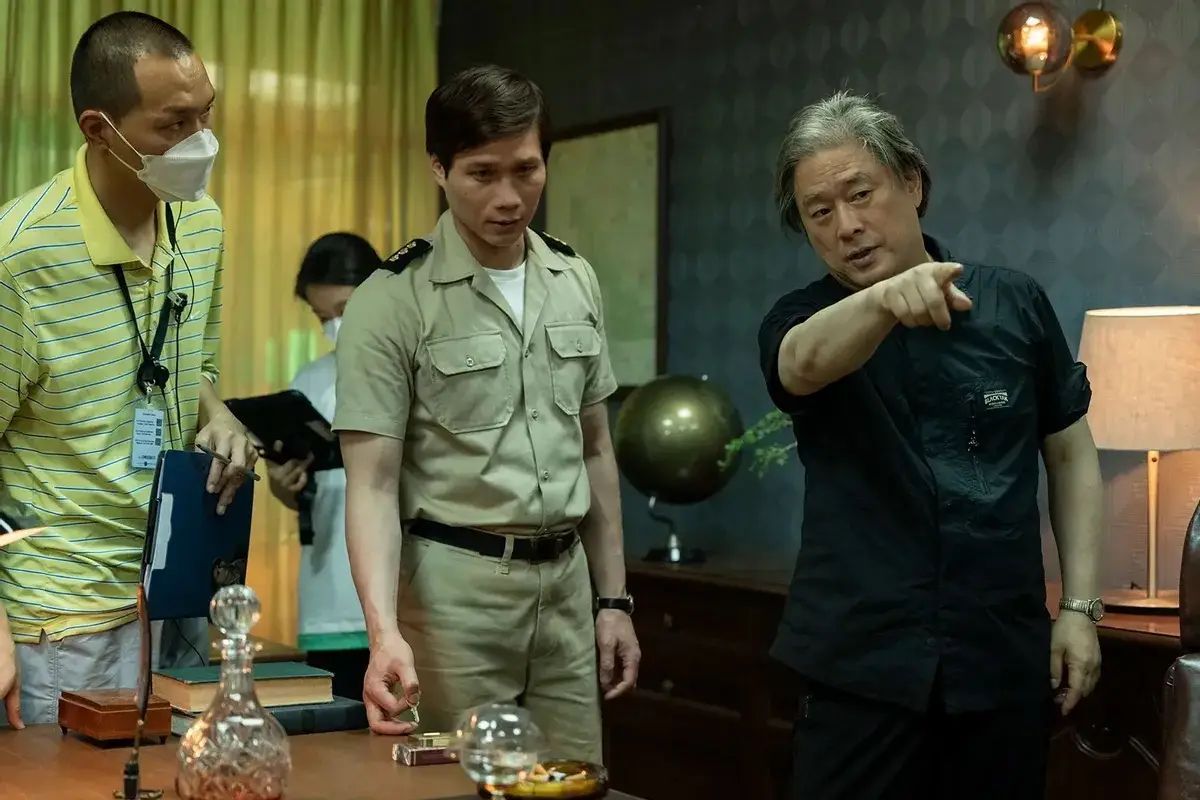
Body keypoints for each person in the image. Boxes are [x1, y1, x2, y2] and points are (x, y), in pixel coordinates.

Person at [758, 91, 1104, 799]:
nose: (847, 226)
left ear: (911, 184)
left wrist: (1079, 608)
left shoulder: (1013, 304)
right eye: (820, 213)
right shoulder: (802, 318)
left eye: (861, 194)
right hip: (861, 670)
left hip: (999, 660)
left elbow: (1070, 453)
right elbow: (800, 364)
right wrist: (884, 300)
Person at [332, 64, 640, 762]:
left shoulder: (574, 278)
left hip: (565, 594)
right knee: (458, 782)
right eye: (482, 173)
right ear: (439, 168)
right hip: (453, 601)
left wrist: (613, 601)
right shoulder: (392, 299)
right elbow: (372, 484)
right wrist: (383, 632)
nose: (509, 197)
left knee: (572, 779)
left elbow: (596, 448)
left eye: (527, 170)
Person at [0, 11, 256, 726]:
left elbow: (188, 369)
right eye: (174, 124)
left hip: (177, 588)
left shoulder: (199, 221)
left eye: (206, 114)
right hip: (65, 613)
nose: (201, 141)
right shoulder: (20, 257)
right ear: (99, 129)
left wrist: (220, 417)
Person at [267, 232, 380, 700]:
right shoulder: (309, 381)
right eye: (322, 317)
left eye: (344, 310)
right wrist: (283, 484)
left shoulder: (410, 371)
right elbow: (294, 489)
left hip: (397, 600)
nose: (334, 327)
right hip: (326, 594)